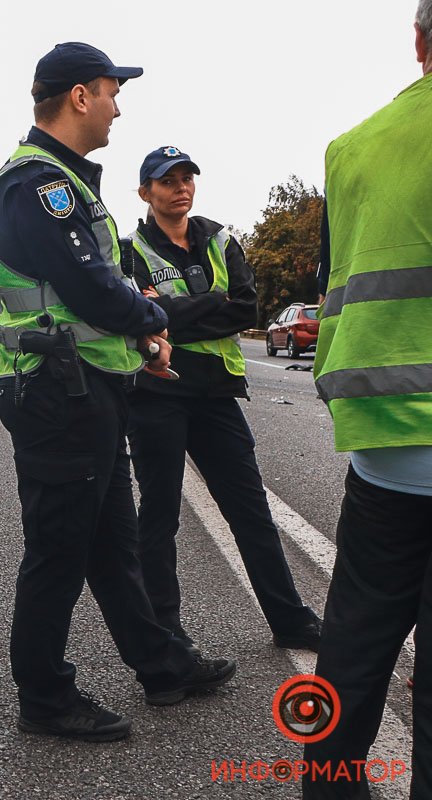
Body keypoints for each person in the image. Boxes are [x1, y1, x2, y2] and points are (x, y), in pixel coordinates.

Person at [0, 41, 237, 743]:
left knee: (111, 542)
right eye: (111, 90)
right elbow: (92, 287)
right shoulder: (38, 184)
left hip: (84, 388)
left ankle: (162, 664)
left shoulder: (65, 181)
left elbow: (96, 291)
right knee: (59, 550)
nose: (119, 105)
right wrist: (153, 321)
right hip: (55, 394)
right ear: (80, 96)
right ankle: (44, 697)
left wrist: (138, 338)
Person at [304, 2, 432, 795]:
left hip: (383, 439)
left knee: (351, 651)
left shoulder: (350, 148)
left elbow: (331, 282)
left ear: (419, 40)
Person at [122, 147, 322, 658]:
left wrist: (167, 310)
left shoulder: (219, 239)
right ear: (146, 192)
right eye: (167, 181)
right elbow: (135, 317)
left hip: (216, 394)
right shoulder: (128, 252)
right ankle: (167, 637)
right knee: (160, 517)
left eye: (187, 178)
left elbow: (246, 309)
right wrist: (208, 304)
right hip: (157, 394)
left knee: (251, 510)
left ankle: (290, 619)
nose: (181, 187)